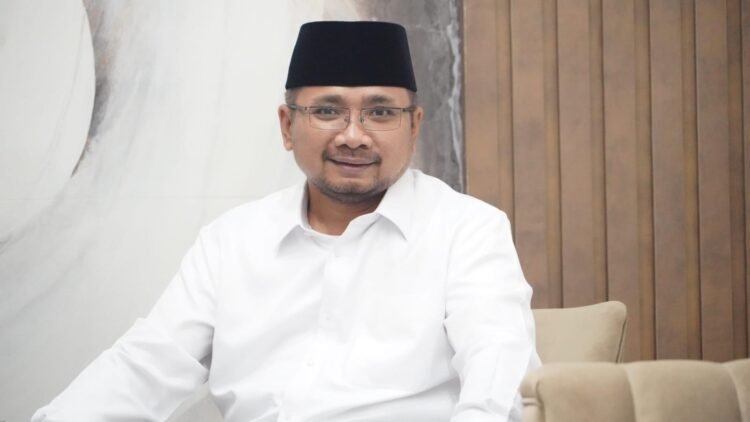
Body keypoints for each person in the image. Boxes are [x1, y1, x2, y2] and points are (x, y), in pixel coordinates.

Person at [32, 21, 540, 422]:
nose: (353, 136)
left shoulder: (467, 231)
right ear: (287, 125)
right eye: (328, 111)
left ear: (414, 126)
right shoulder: (231, 242)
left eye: (381, 113)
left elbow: (499, 379)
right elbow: (147, 366)